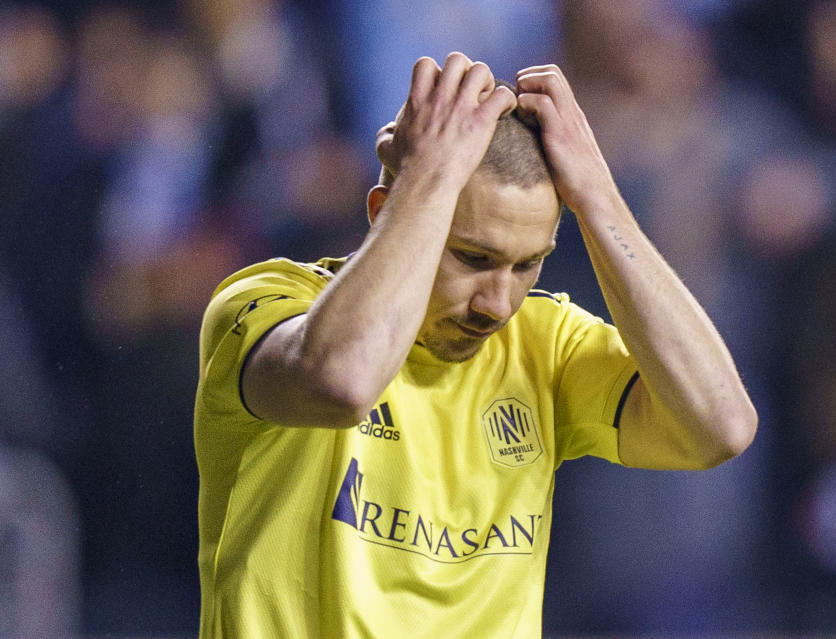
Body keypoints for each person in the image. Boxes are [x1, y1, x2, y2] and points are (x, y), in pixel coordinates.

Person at [193, 52, 757, 638]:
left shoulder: (544, 345)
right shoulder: (265, 304)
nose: (496, 302)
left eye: (527, 264)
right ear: (385, 211)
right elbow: (343, 381)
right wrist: (428, 177)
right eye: (472, 257)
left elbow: (722, 425)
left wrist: (598, 198)